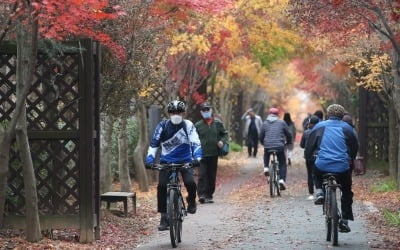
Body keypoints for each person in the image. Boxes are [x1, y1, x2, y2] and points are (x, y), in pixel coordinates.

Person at [145, 100, 202, 231]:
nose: (176, 115)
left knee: (190, 183)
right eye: (173, 112)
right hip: (167, 161)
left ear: (183, 113)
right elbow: (154, 144)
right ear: (169, 114)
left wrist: (197, 158)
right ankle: (164, 217)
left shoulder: (188, 125)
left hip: (185, 160)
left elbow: (195, 142)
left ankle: (192, 201)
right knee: (162, 186)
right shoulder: (162, 126)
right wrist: (149, 160)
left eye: (178, 112)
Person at [305, 104, 358, 233]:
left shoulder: (319, 127)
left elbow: (309, 147)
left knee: (315, 172)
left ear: (327, 115)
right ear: (342, 115)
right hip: (342, 167)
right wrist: (351, 159)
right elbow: (354, 147)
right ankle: (344, 220)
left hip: (322, 165)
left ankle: (319, 191)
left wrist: (309, 157)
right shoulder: (347, 128)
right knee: (346, 191)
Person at [195, 102, 228, 204]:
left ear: (211, 111)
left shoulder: (218, 124)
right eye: (204, 110)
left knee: (211, 175)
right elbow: (193, 138)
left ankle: (209, 195)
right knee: (202, 175)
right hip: (202, 154)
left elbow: (224, 134)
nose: (206, 112)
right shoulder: (198, 125)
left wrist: (222, 141)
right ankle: (201, 195)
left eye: (207, 110)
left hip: (214, 154)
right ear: (201, 112)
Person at [259, 107, 292, 190]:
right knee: (282, 163)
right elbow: (288, 134)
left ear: (269, 114)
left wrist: (263, 143)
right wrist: (288, 142)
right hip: (280, 146)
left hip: (268, 145)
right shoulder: (282, 122)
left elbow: (261, 136)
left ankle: (266, 167)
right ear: (277, 115)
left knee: (266, 153)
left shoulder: (264, 123)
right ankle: (281, 180)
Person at [299, 115, 320, 200]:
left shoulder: (306, 132)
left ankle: (311, 193)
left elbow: (302, 145)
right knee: (319, 174)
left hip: (309, 156)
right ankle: (320, 191)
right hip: (319, 155)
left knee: (310, 174)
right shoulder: (321, 131)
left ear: (311, 123)